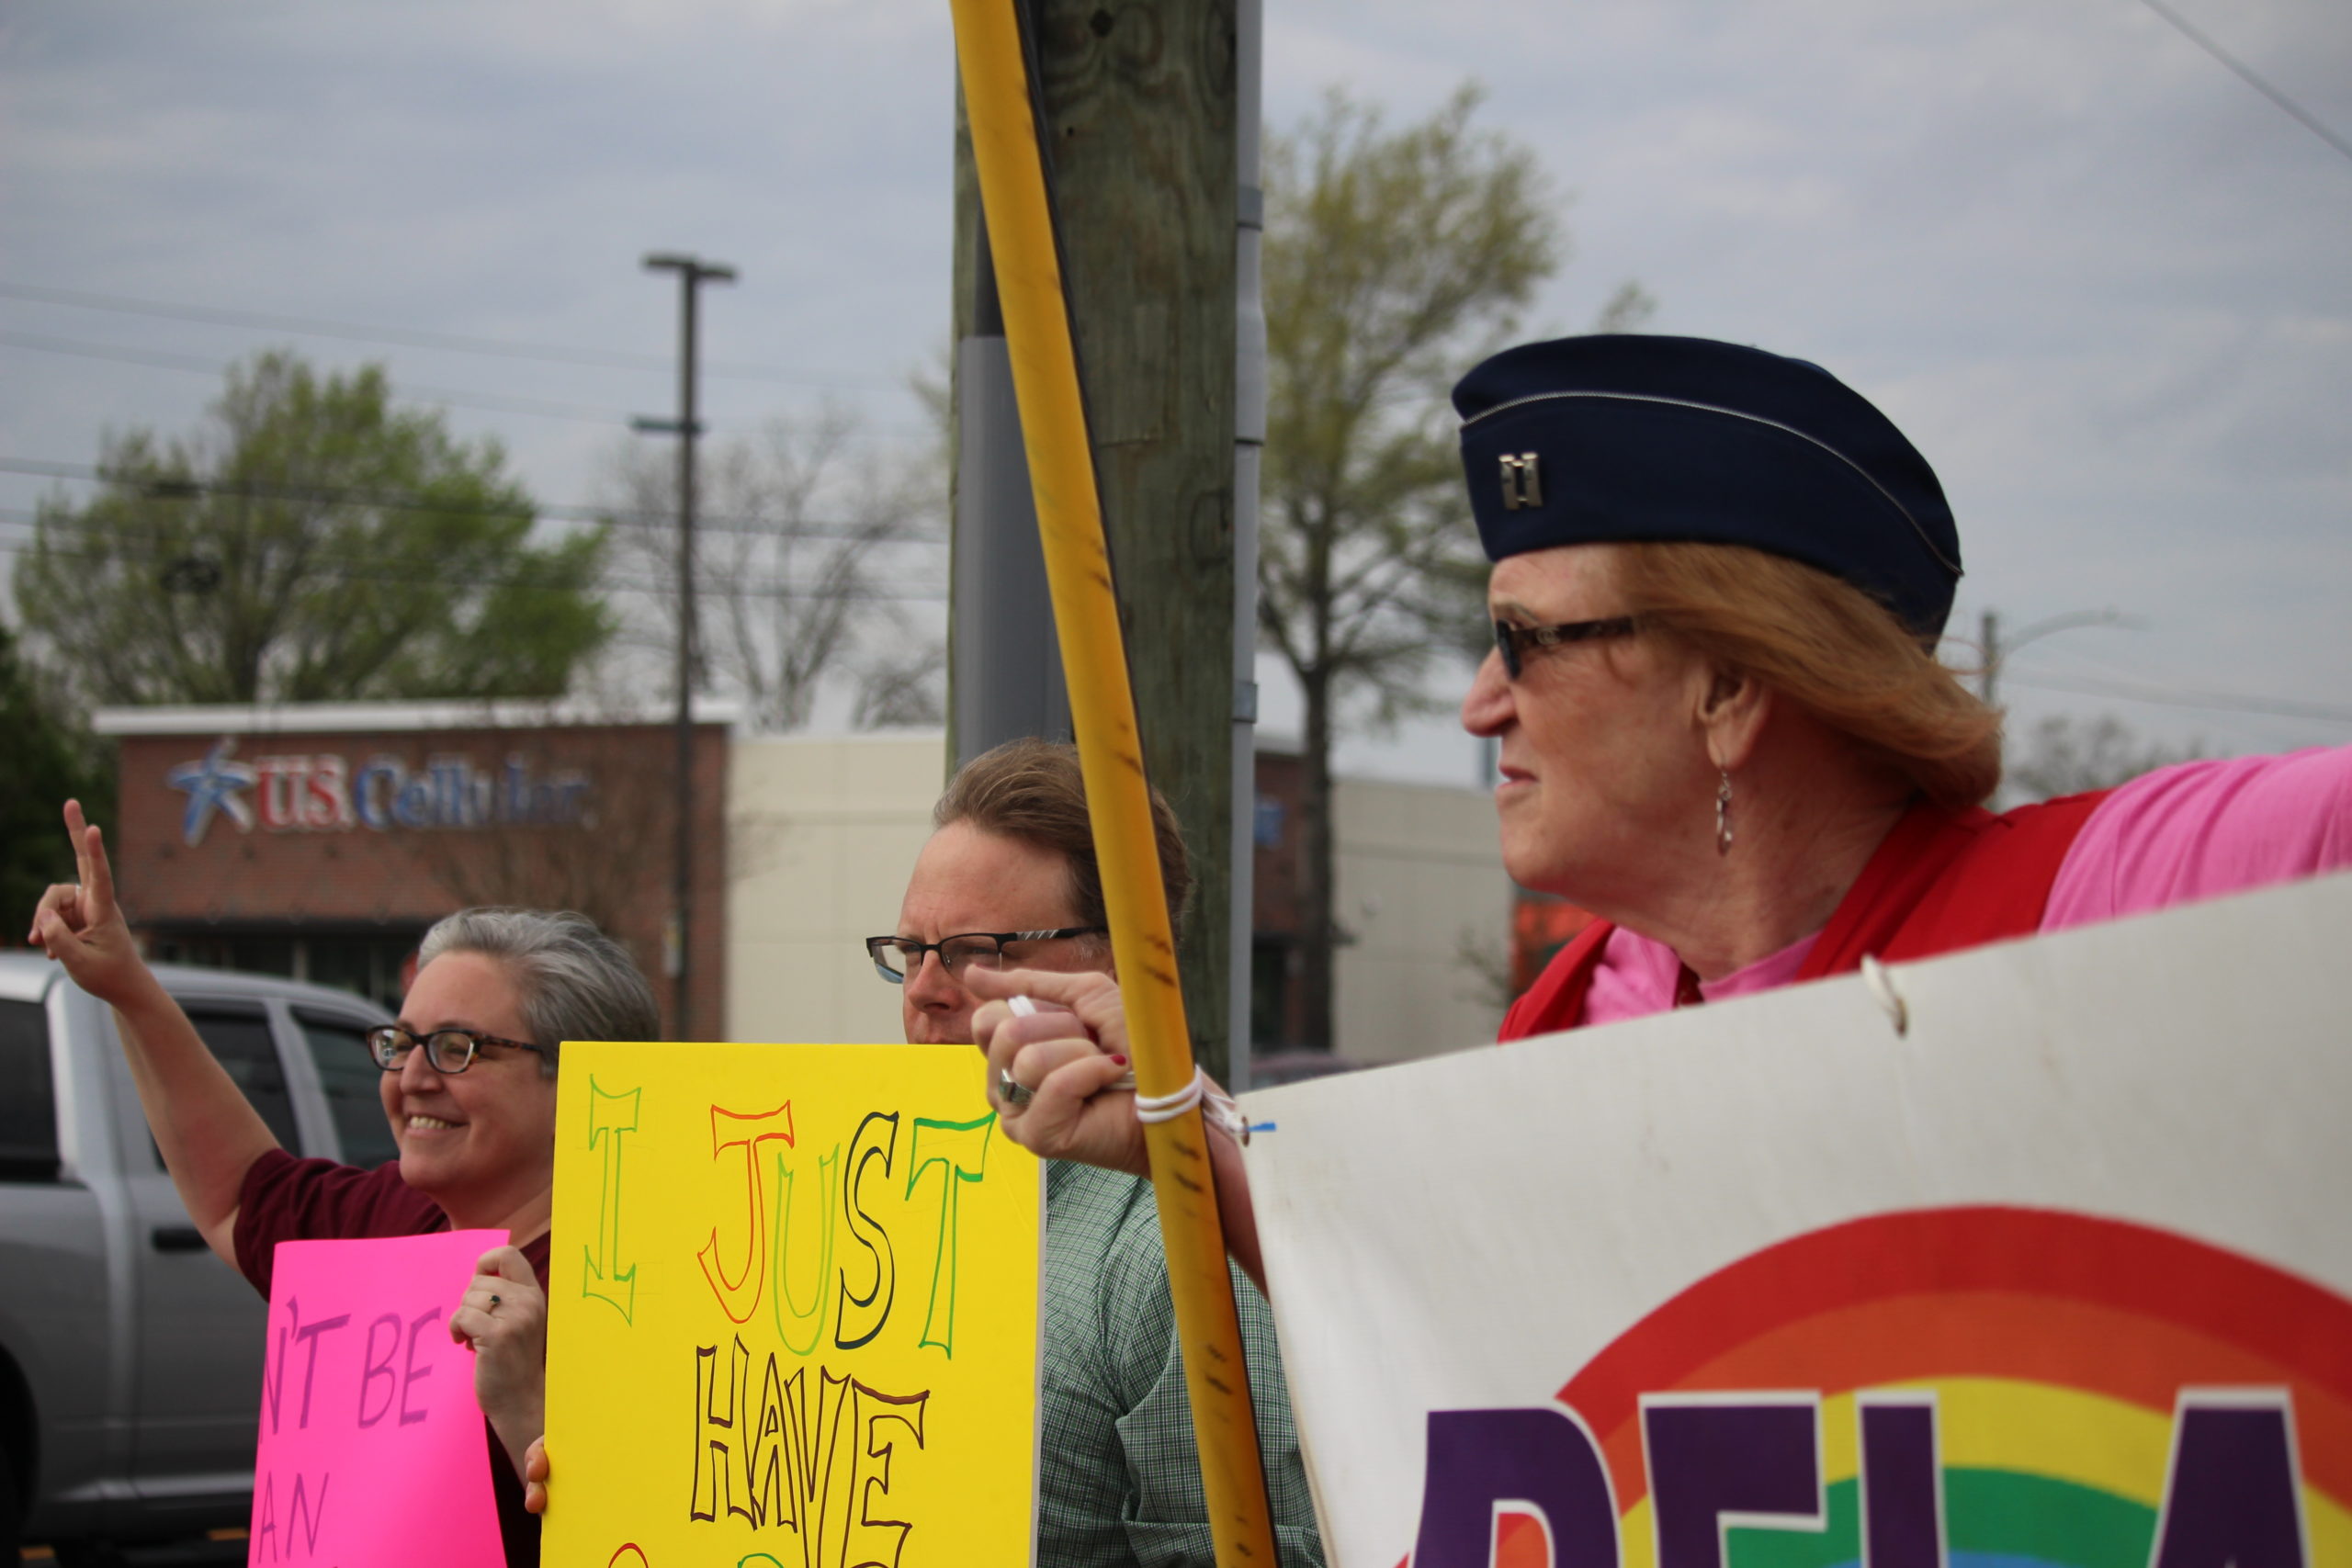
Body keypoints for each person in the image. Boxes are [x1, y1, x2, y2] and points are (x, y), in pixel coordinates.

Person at [962, 332, 2352, 1287]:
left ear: (1734, 684)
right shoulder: (1579, 1005)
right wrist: (1179, 1122)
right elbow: (1456, 1316)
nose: (1477, 705)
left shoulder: (2113, 892)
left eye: (1526, 640)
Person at [28, 800, 660, 1567]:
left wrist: (527, 1411)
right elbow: (238, 1196)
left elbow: (657, 1541)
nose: (413, 1077)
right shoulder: (397, 1226)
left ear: (580, 1086)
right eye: (401, 1043)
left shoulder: (645, 1294)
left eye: (458, 1048)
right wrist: (127, 986)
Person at [877, 738, 1323, 1568]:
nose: (926, 987)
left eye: (978, 948)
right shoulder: (858, 1188)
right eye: (909, 951)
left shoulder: (1179, 1237)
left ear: (1118, 961)